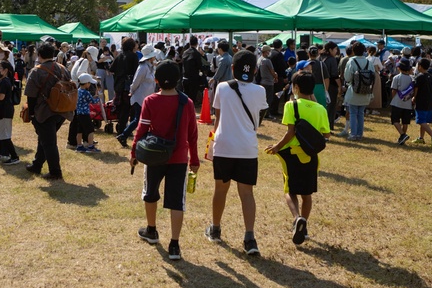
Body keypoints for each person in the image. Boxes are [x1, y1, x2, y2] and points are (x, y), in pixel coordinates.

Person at [132, 61, 199, 261]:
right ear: (178, 79)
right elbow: (192, 134)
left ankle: (151, 230)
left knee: (150, 193)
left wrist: (134, 152)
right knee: (176, 201)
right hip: (179, 158)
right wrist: (194, 159)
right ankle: (175, 244)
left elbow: (141, 129)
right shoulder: (186, 102)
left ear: (156, 80)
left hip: (154, 156)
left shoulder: (150, 101)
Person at [205, 50, 269, 255]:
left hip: (224, 146)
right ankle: (250, 237)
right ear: (256, 70)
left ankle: (215, 229)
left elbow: (217, 118)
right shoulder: (260, 91)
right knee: (247, 193)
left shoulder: (222, 87)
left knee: (220, 190)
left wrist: (211, 144)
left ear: (232, 69)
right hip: (247, 148)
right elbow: (259, 117)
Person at [265, 71, 330, 244]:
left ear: (296, 87)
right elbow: (327, 134)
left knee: (289, 190)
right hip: (311, 156)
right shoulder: (321, 109)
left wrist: (277, 146)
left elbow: (290, 132)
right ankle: (305, 226)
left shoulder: (290, 105)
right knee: (307, 194)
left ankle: (296, 218)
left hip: (291, 154)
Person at [24, 41, 74, 180]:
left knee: (48, 142)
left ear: (39, 55)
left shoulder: (36, 71)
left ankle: (55, 172)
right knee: (45, 139)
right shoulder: (63, 68)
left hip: (45, 112)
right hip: (62, 110)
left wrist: (32, 113)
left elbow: (31, 95)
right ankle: (37, 165)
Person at [116, 44, 158, 147]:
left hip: (148, 98)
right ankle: (123, 135)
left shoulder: (151, 66)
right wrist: (132, 91)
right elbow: (135, 82)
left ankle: (132, 136)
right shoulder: (143, 67)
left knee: (143, 119)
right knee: (138, 119)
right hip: (140, 97)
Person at [342, 42, 373, 141]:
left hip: (354, 91)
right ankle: (360, 134)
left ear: (353, 51)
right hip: (366, 91)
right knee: (361, 113)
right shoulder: (368, 62)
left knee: (353, 113)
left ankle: (353, 134)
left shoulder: (351, 61)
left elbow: (347, 78)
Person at [70, 73, 106, 153]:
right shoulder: (86, 92)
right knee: (90, 130)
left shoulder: (78, 91)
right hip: (85, 114)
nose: (90, 84)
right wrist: (98, 97)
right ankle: (91, 146)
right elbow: (92, 101)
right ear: (86, 83)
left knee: (79, 130)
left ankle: (79, 146)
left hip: (78, 113)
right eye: (89, 83)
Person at [410, 58, 432, 146]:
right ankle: (421, 138)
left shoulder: (419, 76)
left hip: (421, 100)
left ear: (419, 66)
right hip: (429, 100)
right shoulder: (429, 76)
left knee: (420, 120)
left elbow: (416, 88)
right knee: (424, 120)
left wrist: (414, 97)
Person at [389, 58, 414, 145]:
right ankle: (402, 138)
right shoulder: (411, 78)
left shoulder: (397, 77)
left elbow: (394, 90)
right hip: (407, 103)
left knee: (395, 120)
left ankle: (402, 134)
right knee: (405, 121)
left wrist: (392, 99)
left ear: (399, 68)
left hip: (397, 102)